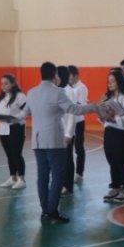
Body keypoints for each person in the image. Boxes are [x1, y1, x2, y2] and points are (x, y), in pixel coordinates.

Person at [22, 62, 96, 224]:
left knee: (42, 177)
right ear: (55, 75)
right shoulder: (58, 92)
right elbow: (74, 110)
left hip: (38, 141)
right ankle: (52, 210)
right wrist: (94, 107)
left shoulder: (32, 92)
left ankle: (45, 210)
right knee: (57, 176)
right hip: (54, 141)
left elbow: (25, 112)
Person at [101, 68, 124, 203]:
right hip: (109, 131)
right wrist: (102, 114)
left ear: (119, 82)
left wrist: (115, 117)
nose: (110, 84)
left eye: (113, 81)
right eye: (108, 81)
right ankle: (115, 187)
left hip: (122, 133)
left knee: (122, 161)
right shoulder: (108, 98)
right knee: (112, 160)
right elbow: (102, 117)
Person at [0, 73, 27, 190]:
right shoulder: (0, 97)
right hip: (3, 130)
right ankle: (13, 177)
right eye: (2, 83)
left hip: (16, 128)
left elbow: (26, 112)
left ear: (13, 84)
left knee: (16, 154)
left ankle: (22, 179)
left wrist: (14, 118)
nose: (3, 86)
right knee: (9, 155)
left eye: (6, 83)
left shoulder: (20, 96)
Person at [56, 65, 76, 195]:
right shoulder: (57, 90)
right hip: (56, 131)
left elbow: (71, 114)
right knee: (58, 159)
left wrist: (69, 134)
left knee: (67, 159)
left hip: (66, 132)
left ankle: (67, 185)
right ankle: (60, 182)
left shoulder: (69, 92)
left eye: (56, 75)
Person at [68, 65, 89, 183]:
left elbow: (81, 106)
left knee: (79, 147)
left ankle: (79, 172)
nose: (68, 78)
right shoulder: (67, 88)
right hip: (68, 122)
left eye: (70, 76)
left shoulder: (82, 88)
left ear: (76, 76)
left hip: (78, 122)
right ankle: (69, 172)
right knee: (68, 148)